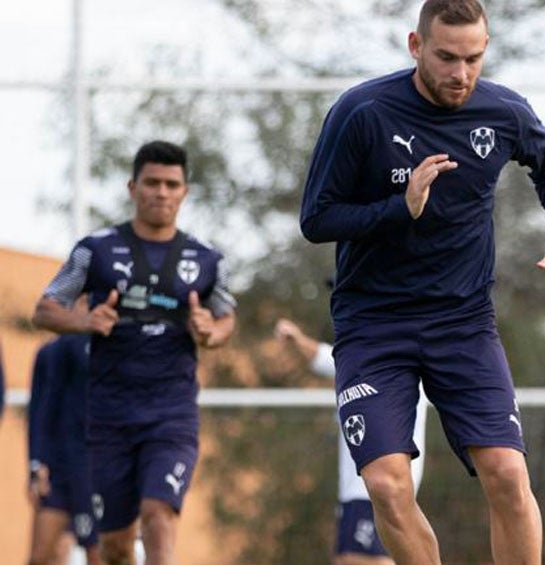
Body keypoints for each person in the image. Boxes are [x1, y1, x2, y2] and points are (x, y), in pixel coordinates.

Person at [299, 1, 545, 562]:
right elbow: (317, 218)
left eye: (474, 58)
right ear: (416, 46)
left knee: (506, 472)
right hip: (373, 326)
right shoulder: (363, 112)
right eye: (447, 57)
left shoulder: (503, 110)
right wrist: (398, 208)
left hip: (462, 324)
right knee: (385, 484)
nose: (461, 73)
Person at [33, 140, 237, 565]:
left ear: (184, 192)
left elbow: (226, 318)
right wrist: (85, 322)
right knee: (115, 547)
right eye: (152, 183)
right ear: (132, 187)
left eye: (171, 184)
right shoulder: (96, 250)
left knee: (158, 515)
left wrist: (210, 332)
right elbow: (45, 309)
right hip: (109, 419)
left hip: (171, 415)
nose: (161, 192)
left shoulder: (204, 259)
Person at [274, 317, 428, 565]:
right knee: (350, 558)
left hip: (376, 486)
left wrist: (297, 338)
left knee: (362, 558)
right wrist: (298, 339)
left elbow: (324, 358)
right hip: (359, 490)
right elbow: (326, 359)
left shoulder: (391, 357)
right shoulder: (361, 358)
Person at [27, 332, 100, 565]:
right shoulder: (50, 351)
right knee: (41, 555)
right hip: (58, 466)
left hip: (94, 466)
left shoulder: (109, 342)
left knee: (97, 552)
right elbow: (38, 411)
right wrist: (36, 461)